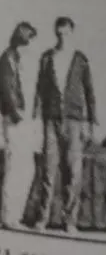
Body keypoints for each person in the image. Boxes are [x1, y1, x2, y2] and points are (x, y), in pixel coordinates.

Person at [30, 16, 96, 233]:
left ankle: (70, 220)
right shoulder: (47, 58)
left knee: (73, 172)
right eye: (59, 33)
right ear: (55, 33)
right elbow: (39, 90)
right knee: (48, 170)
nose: (62, 36)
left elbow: (89, 92)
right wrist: (35, 118)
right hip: (51, 120)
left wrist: (90, 122)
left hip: (75, 121)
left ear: (72, 32)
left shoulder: (80, 60)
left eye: (66, 33)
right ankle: (43, 218)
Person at [0, 22, 36, 229]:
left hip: (21, 117)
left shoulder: (15, 59)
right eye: (29, 40)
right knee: (16, 166)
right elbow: (6, 88)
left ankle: (15, 215)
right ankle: (9, 216)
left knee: (26, 166)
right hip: (15, 118)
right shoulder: (8, 59)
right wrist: (15, 113)